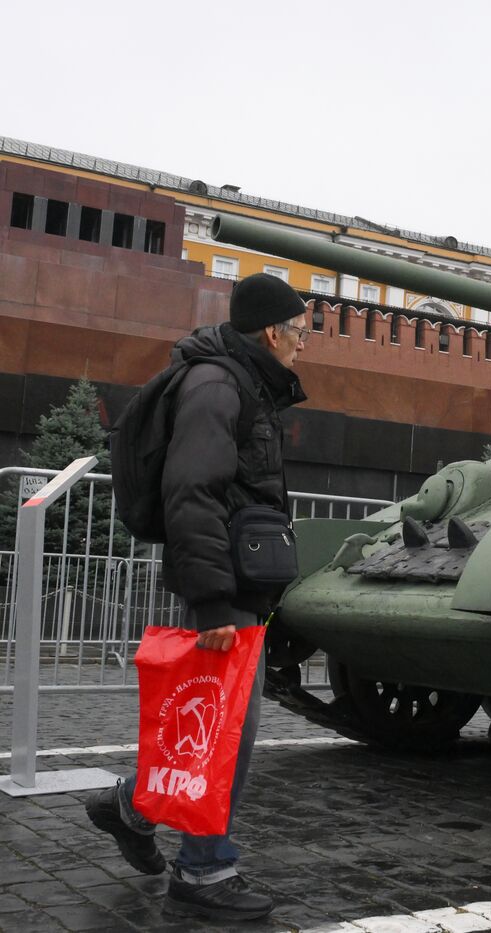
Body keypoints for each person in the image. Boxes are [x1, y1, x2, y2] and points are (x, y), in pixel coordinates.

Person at [86, 273, 308, 921]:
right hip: (224, 593)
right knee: (227, 735)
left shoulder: (241, 382)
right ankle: (204, 870)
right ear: (272, 332)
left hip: (238, 585)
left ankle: (131, 806)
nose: (302, 345)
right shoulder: (219, 384)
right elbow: (192, 492)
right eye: (298, 332)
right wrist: (212, 602)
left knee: (214, 731)